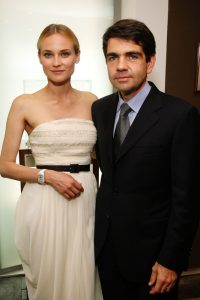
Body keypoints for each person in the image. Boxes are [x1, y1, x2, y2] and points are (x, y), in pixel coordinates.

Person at [92, 19, 200, 300]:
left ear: (150, 62)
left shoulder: (179, 116)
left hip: (153, 261)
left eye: (132, 56)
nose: (121, 66)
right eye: (113, 57)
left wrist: (170, 261)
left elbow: (186, 199)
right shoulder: (100, 109)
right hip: (105, 252)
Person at [0, 24, 102, 300]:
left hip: (85, 200)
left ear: (77, 56)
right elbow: (5, 165)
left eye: (65, 53)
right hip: (44, 202)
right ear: (39, 57)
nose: (57, 62)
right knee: (48, 280)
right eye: (48, 54)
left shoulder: (93, 102)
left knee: (84, 274)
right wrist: (48, 176)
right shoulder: (23, 103)